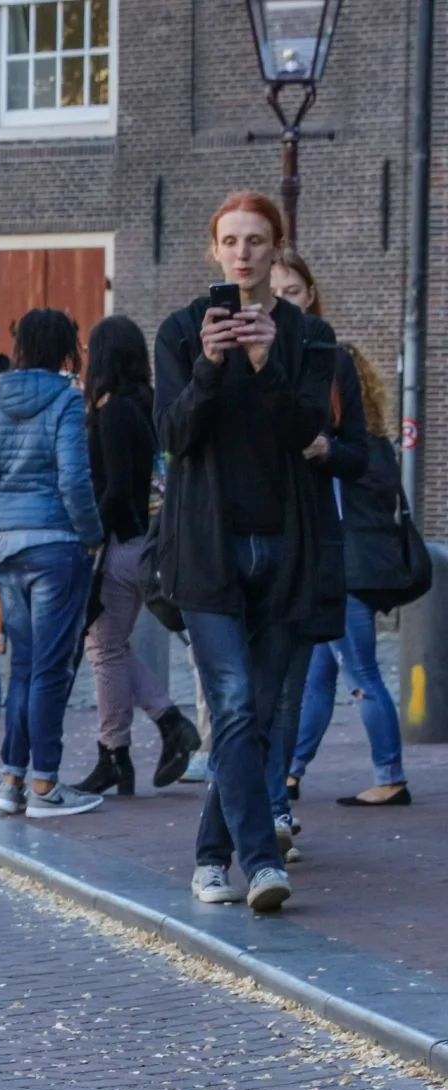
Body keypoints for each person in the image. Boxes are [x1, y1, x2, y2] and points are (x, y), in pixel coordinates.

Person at [154, 192, 356, 913]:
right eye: (231, 241)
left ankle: (211, 859)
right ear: (215, 251)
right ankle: (263, 862)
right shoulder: (181, 333)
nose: (243, 253)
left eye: (257, 241)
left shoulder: (310, 338)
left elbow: (306, 431)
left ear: (277, 250)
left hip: (285, 548)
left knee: (260, 716)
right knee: (233, 703)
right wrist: (210, 367)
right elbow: (174, 438)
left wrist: (267, 363)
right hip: (207, 552)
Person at [0, 308, 104, 820]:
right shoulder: (68, 403)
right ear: (65, 349)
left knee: (22, 665)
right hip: (54, 544)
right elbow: (74, 480)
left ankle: (11, 782)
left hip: (4, 545)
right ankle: (46, 785)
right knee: (51, 667)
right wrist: (90, 535)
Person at [261, 248, 371, 859]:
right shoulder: (234, 356)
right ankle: (245, 813)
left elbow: (362, 457)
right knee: (242, 690)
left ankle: (275, 807)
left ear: (311, 298)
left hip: (311, 538)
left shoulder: (333, 364)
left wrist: (327, 448)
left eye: (295, 292)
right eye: (275, 293)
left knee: (290, 687)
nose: (284, 303)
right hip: (244, 538)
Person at [73, 316, 202, 796]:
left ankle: (121, 752)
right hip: (153, 541)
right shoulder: (151, 405)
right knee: (114, 648)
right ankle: (154, 735)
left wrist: (92, 536)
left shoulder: (111, 412)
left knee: (104, 649)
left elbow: (118, 488)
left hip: (122, 545)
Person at [286, 345, 412, 809]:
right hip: (352, 574)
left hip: (345, 576)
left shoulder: (346, 453)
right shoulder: (379, 446)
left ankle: (391, 775)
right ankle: (290, 771)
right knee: (320, 676)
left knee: (361, 675)